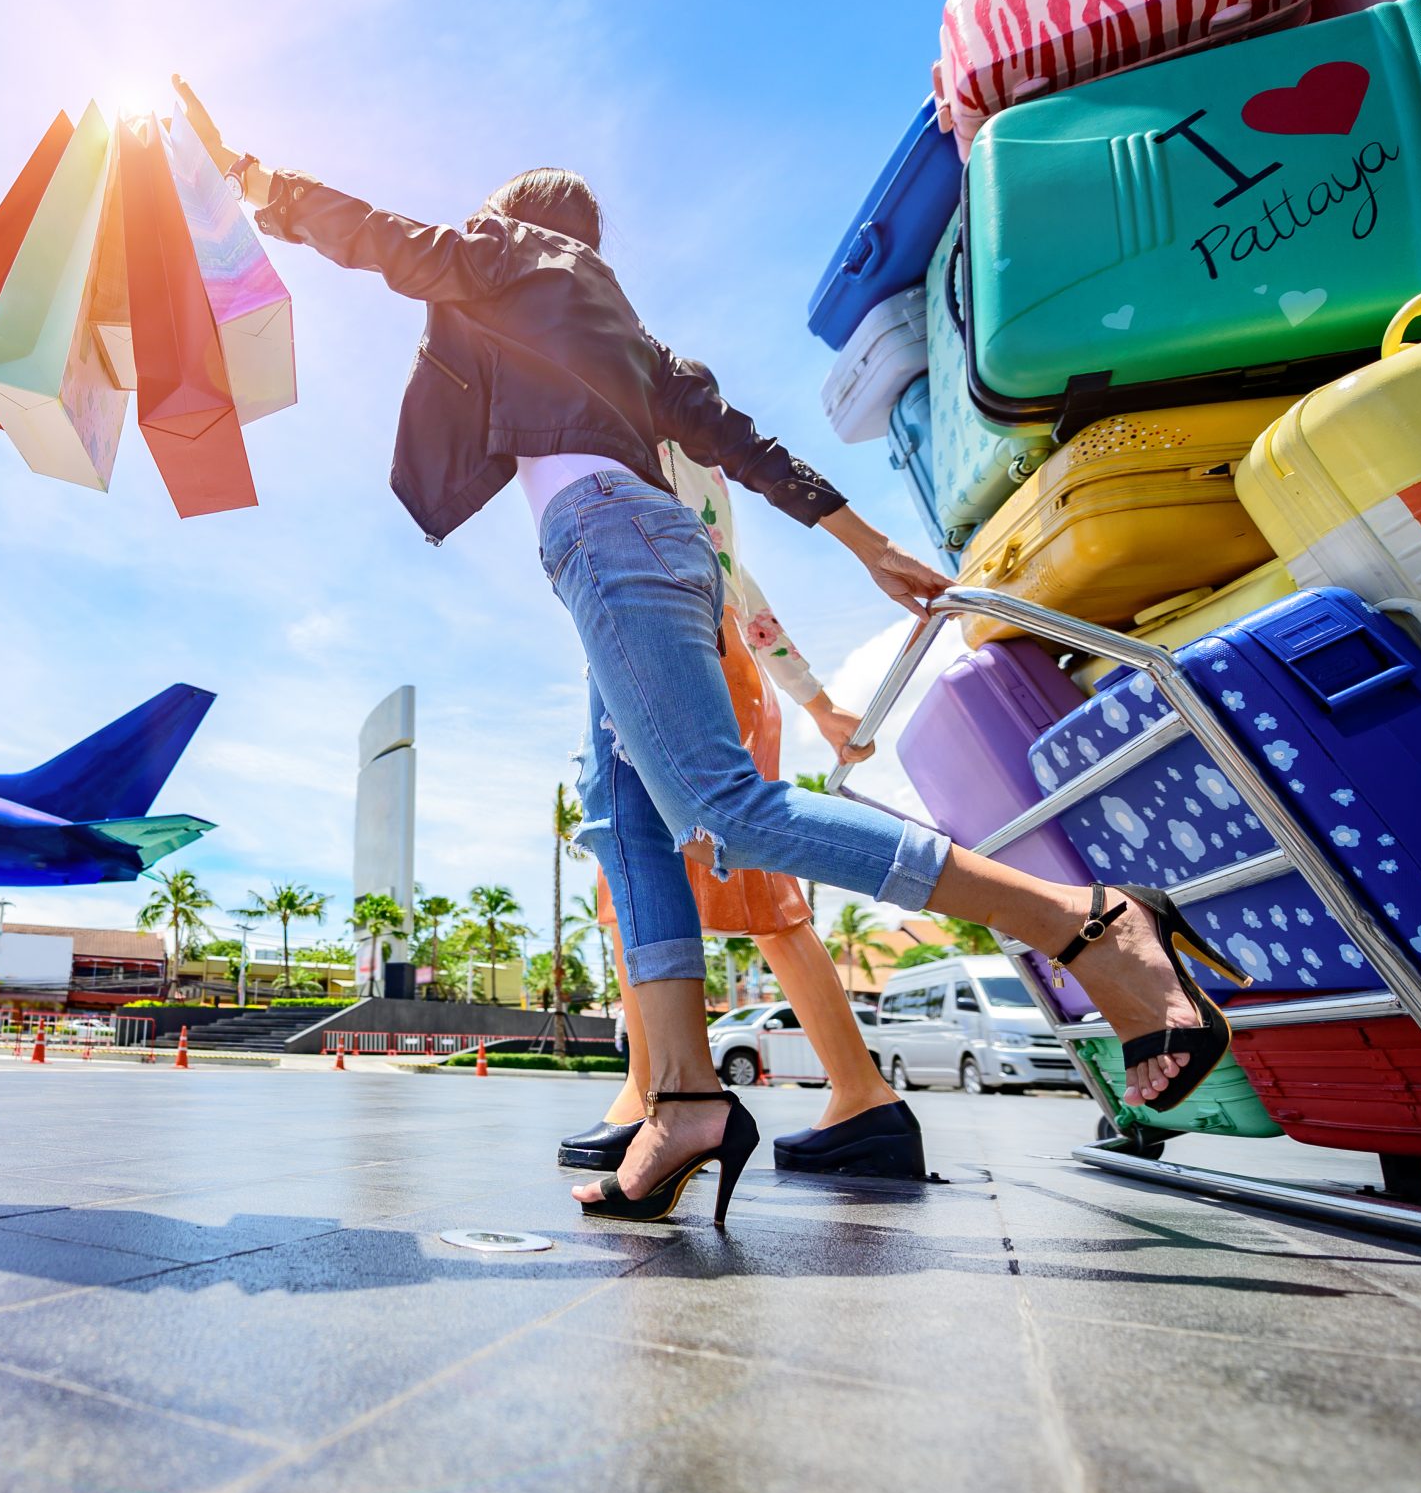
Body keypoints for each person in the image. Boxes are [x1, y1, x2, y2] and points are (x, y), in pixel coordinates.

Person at [171, 78, 1238, 1225]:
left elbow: (391, 243)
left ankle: (1085, 921)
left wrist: (261, 187)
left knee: (724, 811)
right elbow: (738, 437)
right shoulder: (621, 335)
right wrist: (863, 538)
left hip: (610, 542)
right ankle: (681, 1097)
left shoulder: (514, 254)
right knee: (623, 819)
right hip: (625, 549)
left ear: (519, 219)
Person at [562, 557, 915, 1176]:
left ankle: (652, 1096)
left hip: (661, 646)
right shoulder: (699, 468)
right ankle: (861, 1093)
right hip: (727, 655)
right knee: (753, 870)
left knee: (632, 859)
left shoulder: (629, 464)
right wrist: (819, 703)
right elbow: (742, 589)